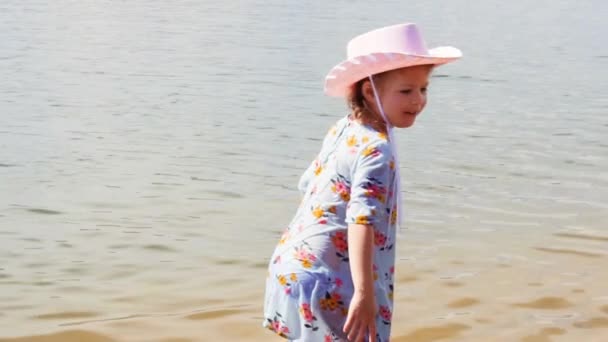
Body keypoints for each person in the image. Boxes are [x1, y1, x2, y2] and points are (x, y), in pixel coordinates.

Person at [263, 23, 461, 342]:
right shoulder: (376, 149)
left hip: (294, 265)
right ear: (369, 91)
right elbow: (361, 220)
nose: (418, 101)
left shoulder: (345, 129)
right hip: (331, 279)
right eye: (406, 91)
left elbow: (307, 184)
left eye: (423, 89)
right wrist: (364, 294)